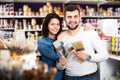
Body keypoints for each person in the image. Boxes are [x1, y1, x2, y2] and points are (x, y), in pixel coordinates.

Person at [57, 5, 109, 80]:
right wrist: (61, 64)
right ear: (64, 19)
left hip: (90, 76)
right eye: (69, 17)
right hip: (70, 77)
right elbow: (59, 65)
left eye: (75, 16)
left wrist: (88, 57)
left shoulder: (90, 32)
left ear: (80, 18)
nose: (72, 20)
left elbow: (105, 55)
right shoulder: (60, 38)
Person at [37, 13, 67, 80]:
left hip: (63, 75)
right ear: (47, 25)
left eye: (57, 24)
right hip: (51, 76)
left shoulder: (60, 37)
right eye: (52, 24)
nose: (55, 27)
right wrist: (58, 41)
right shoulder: (42, 42)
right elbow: (57, 56)